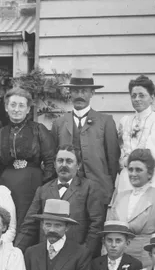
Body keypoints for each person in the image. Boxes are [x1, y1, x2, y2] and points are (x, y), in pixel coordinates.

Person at [15, 145, 106, 257]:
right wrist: (15, 252)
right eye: (60, 161)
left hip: (75, 255)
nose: (63, 165)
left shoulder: (89, 188)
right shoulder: (43, 190)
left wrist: (84, 254)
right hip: (46, 256)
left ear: (78, 165)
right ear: (54, 164)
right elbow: (29, 225)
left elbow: (96, 225)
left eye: (69, 161)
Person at [50, 69, 121, 203]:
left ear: (92, 93)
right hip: (68, 192)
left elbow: (113, 159)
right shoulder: (59, 123)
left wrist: (107, 185)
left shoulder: (105, 122)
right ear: (70, 93)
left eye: (84, 91)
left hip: (98, 190)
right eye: (76, 91)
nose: (79, 95)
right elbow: (54, 158)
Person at [0, 87, 57, 225]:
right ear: (6, 107)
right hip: (7, 183)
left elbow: (50, 160)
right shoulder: (0, 133)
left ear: (28, 109)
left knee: (28, 221)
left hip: (32, 182)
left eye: (21, 105)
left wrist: (43, 187)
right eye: (13, 105)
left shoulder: (38, 129)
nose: (16, 109)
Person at [107, 149, 155, 267]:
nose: (133, 174)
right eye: (130, 169)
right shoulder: (120, 197)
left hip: (146, 258)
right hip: (119, 258)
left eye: (138, 170)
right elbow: (110, 230)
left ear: (149, 173)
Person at [114, 75, 155, 196]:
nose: (137, 99)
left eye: (142, 95)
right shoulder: (125, 121)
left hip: (150, 176)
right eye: (133, 96)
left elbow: (154, 153)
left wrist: (128, 161)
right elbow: (119, 149)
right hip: (127, 177)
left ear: (152, 97)